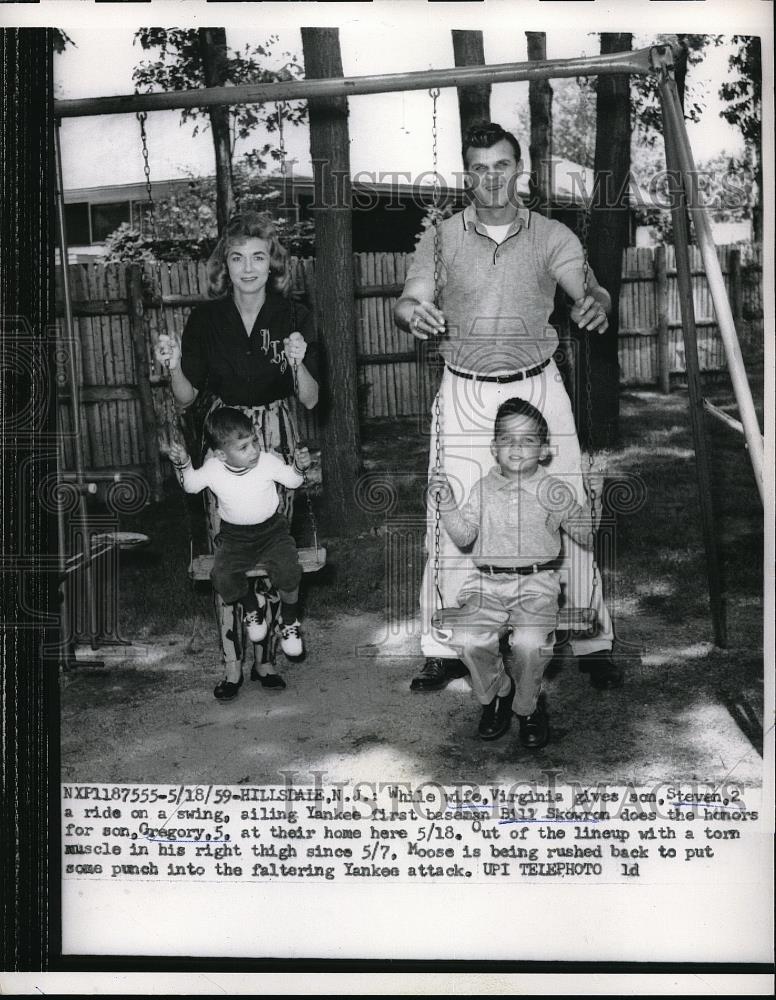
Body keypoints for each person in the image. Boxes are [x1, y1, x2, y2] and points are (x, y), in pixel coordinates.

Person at [394, 121, 622, 693]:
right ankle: (443, 646)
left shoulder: (551, 234)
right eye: (479, 167)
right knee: (450, 507)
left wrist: (593, 303)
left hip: (538, 384)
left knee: (566, 500)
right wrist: (412, 314)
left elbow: (589, 288)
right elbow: (409, 300)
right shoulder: (442, 237)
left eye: (501, 165)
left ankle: (590, 638)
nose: (490, 177)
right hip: (465, 388)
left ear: (517, 169)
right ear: (466, 174)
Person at [155, 211, 319, 693]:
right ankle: (231, 662)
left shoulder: (294, 315)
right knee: (227, 546)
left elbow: (309, 397)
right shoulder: (206, 319)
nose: (248, 268)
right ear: (223, 266)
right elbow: (185, 397)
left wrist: (297, 360)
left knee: (272, 545)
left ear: (274, 264)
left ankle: (267, 660)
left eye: (259, 257)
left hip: (276, 438)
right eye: (237, 257)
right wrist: (169, 366)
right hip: (224, 437)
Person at [429, 398, 594, 749]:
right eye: (507, 439)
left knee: (530, 645)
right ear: (494, 447)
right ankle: (498, 693)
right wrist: (447, 505)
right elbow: (464, 536)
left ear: (545, 450)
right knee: (468, 640)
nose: (516, 448)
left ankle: (526, 707)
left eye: (528, 440)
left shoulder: (553, 489)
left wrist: (595, 498)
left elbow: (584, 533)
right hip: (484, 585)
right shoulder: (482, 489)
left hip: (536, 584)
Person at [169, 408, 310, 700]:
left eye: (254, 442)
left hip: (273, 531)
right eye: (243, 447)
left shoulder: (269, 461)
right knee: (222, 575)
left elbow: (293, 481)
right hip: (235, 536)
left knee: (288, 571)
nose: (254, 450)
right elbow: (192, 485)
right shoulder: (212, 468)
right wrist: (183, 464)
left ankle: (290, 623)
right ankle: (253, 609)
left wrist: (298, 466)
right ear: (221, 455)